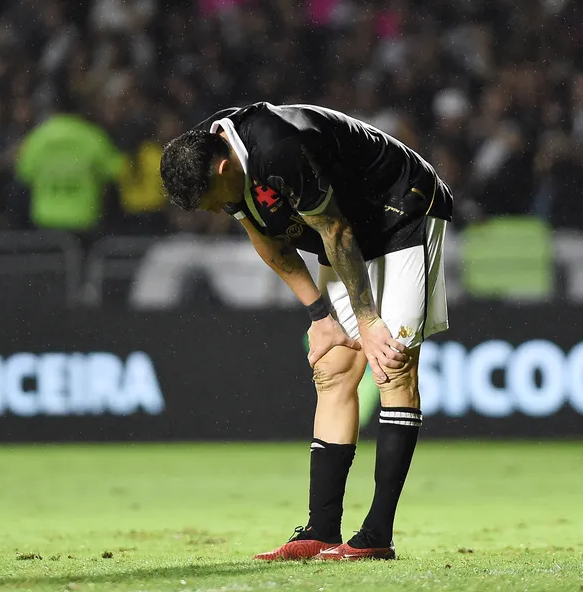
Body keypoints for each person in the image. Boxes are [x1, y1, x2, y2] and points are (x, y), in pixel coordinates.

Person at [159, 102, 453, 561]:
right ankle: (320, 529)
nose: (217, 211)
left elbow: (335, 231)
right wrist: (320, 317)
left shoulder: (279, 150)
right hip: (347, 224)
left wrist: (370, 321)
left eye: (214, 199)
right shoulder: (210, 151)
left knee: (391, 365)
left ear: (223, 166)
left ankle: (377, 534)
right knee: (333, 369)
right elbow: (267, 237)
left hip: (401, 207)